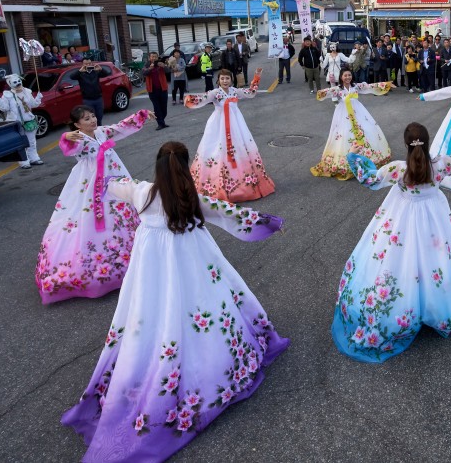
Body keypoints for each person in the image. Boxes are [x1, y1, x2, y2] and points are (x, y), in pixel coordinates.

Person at [61, 141, 287, 461]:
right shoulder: (192, 198)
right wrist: (271, 223)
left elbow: (111, 185)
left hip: (151, 267)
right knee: (203, 306)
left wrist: (99, 170)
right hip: (192, 260)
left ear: (157, 167)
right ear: (185, 167)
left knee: (150, 313)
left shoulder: (142, 192)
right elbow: (232, 215)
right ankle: (215, 366)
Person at [333, 123, 451, 362]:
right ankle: (438, 306)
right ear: (427, 143)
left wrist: (354, 155)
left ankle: (404, 306)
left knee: (399, 258)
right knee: (436, 257)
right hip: (433, 217)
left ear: (406, 145)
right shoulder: (441, 164)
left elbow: (370, 180)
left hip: (402, 217)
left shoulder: (398, 169)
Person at [35, 107, 154, 304]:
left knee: (121, 214)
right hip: (90, 183)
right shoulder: (78, 139)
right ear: (77, 124)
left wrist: (140, 115)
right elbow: (67, 147)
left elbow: (121, 127)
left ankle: (128, 262)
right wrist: (66, 136)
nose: (92, 120)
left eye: (92, 116)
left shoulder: (101, 132)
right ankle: (93, 274)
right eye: (86, 119)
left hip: (114, 178)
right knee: (83, 219)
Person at [184, 68, 274, 202]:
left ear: (231, 80)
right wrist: (190, 99)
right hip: (218, 126)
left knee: (240, 149)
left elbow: (250, 93)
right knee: (216, 151)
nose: (225, 81)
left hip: (236, 125)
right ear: (218, 80)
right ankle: (216, 184)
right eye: (222, 78)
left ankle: (244, 183)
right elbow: (202, 99)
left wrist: (256, 78)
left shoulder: (235, 91)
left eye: (227, 78)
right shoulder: (215, 93)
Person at [312, 68, 395, 179]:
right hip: (343, 112)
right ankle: (345, 162)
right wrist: (320, 93)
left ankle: (367, 157)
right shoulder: (337, 89)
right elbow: (326, 92)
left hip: (357, 111)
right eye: (345, 75)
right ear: (341, 77)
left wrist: (386, 84)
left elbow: (370, 87)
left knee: (366, 129)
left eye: (349, 75)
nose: (347, 77)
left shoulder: (356, 86)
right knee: (343, 134)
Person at [0, 73, 43, 168]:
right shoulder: (7, 95)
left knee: (31, 142)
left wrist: (38, 98)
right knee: (21, 143)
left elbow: (33, 105)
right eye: (15, 82)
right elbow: (5, 108)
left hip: (28, 120)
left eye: (19, 81)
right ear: (10, 84)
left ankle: (34, 158)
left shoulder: (27, 92)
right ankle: (24, 162)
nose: (18, 83)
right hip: (16, 123)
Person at [68, 54, 111, 124]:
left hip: (98, 98)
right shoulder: (80, 73)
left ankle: (99, 132)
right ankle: (92, 133)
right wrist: (80, 71)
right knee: (91, 119)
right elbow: (71, 77)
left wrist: (101, 69)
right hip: (87, 100)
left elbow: (106, 74)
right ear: (82, 64)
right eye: (86, 64)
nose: (88, 65)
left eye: (89, 63)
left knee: (99, 118)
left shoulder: (96, 71)